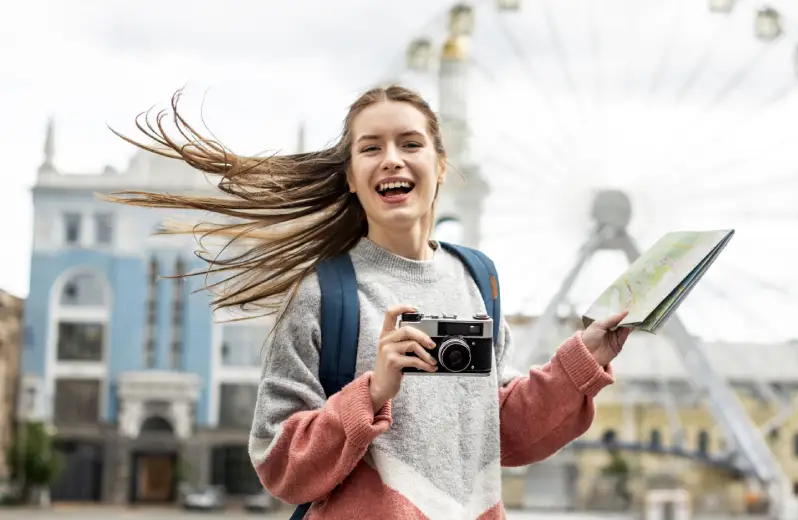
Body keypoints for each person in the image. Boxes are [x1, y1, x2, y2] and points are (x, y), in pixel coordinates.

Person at [106, 85, 633, 519]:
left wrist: (584, 359)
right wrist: (372, 394)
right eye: (371, 147)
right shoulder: (323, 293)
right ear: (352, 178)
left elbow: (502, 433)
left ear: (441, 165)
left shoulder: (479, 280)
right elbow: (278, 462)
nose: (392, 160)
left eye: (410, 143)